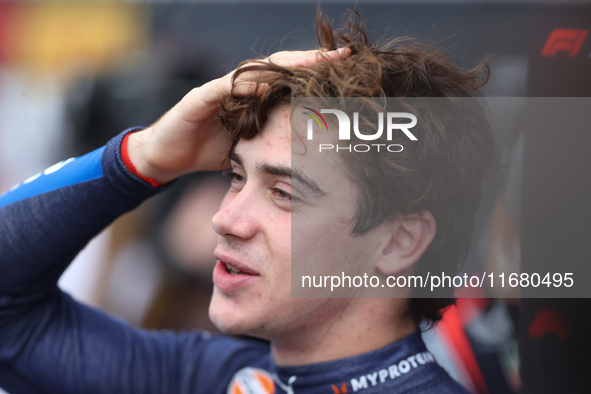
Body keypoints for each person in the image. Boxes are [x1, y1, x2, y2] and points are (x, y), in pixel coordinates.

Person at [0, 12, 494, 394]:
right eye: (236, 177)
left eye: (284, 193)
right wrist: (143, 157)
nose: (225, 218)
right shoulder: (213, 377)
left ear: (399, 241)